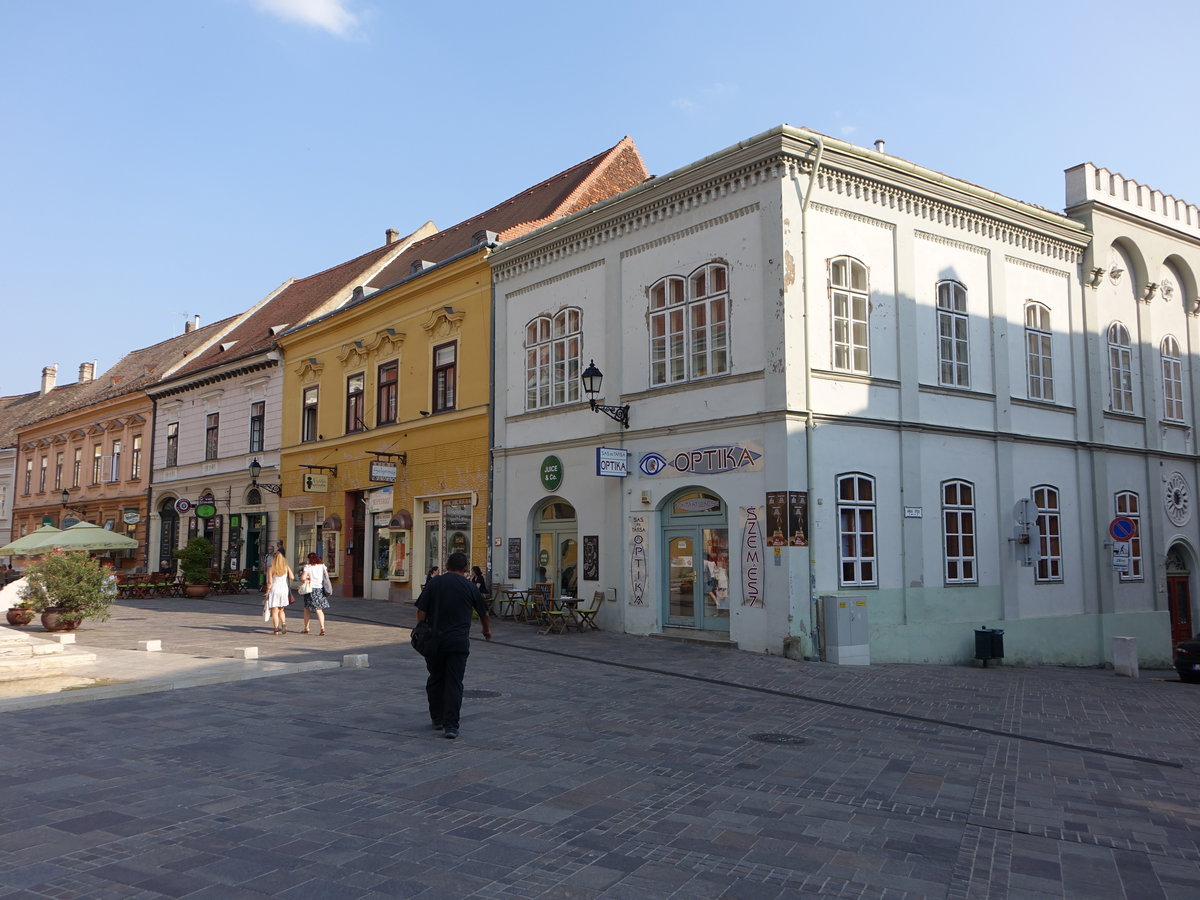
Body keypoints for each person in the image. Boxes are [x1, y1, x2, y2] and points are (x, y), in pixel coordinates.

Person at [415, 552, 491, 739]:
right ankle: (451, 726)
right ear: (465, 568)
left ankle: (437, 718)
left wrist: (422, 627)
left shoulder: (434, 583)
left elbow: (421, 610)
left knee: (435, 679)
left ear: (447, 565)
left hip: (434, 641)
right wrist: (486, 631)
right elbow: (484, 613)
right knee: (454, 683)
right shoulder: (469, 586)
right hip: (458, 642)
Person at [300, 552, 332, 635]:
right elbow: (326, 576)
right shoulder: (322, 566)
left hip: (310, 589)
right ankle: (322, 627)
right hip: (319, 589)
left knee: (307, 609)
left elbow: (303, 578)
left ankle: (306, 628)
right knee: (319, 609)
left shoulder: (308, 567)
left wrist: (307, 579)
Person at [264, 551, 294, 635]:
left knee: (274, 610)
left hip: (275, 589)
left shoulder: (271, 568)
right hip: (284, 589)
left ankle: (276, 629)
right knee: (281, 609)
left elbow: (270, 582)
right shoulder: (286, 567)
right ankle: (283, 623)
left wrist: (267, 591)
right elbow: (292, 577)